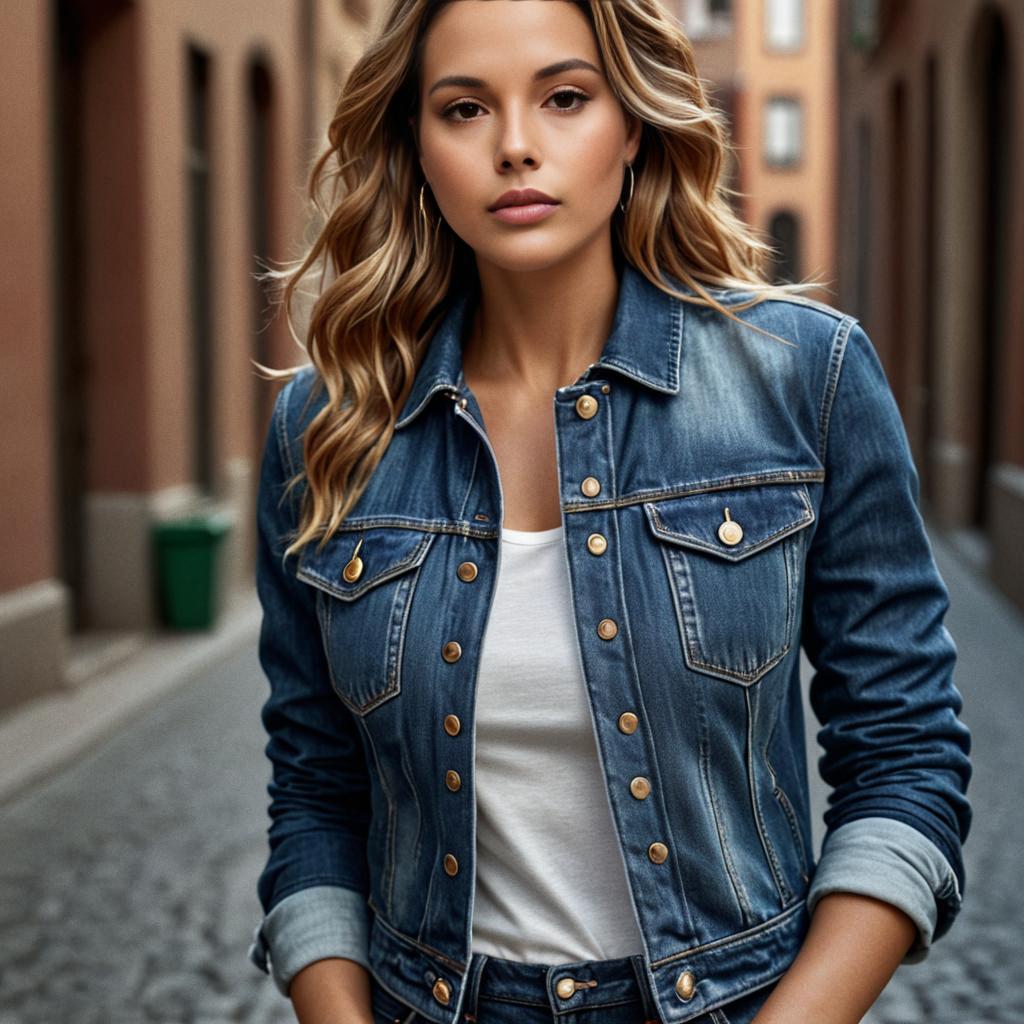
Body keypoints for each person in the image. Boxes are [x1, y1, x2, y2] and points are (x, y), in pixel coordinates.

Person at [246, 2, 973, 1023]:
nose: (514, 146)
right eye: (463, 109)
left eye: (564, 97)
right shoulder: (328, 426)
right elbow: (316, 791)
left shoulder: (806, 379)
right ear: (413, 145)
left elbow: (905, 756)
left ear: (632, 123)